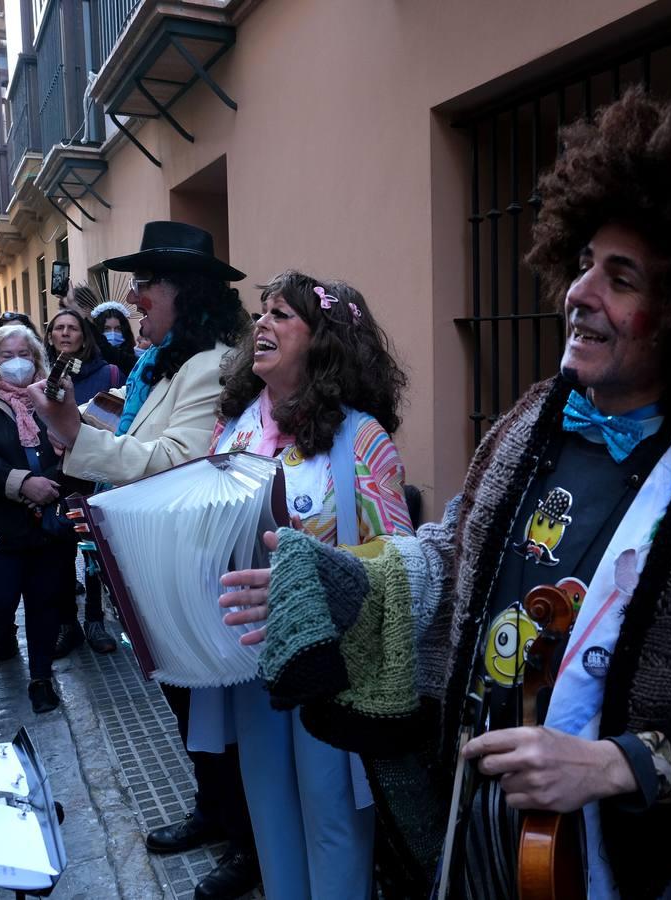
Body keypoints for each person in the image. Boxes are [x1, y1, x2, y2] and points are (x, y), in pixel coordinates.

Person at [247, 90, 671, 899]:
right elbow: (453, 556)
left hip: (629, 867)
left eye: (619, 277)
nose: (579, 292)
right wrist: (345, 578)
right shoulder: (529, 421)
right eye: (585, 261)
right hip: (482, 831)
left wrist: (612, 765)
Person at [28, 221, 260, 899]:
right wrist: (84, 431)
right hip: (164, 567)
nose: (133, 298)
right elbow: (138, 440)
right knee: (188, 705)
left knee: (213, 706)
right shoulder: (171, 365)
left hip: (195, 567)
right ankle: (214, 812)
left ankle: (246, 844)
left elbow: (171, 464)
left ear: (185, 293)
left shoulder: (212, 365)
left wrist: (75, 436)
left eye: (146, 284)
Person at [192, 272, 413, 900]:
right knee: (270, 816)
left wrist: (315, 570)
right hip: (250, 660)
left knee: (333, 817)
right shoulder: (231, 429)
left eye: (281, 314)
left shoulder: (361, 438)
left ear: (323, 341)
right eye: (261, 313)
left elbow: (396, 558)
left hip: (331, 663)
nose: (261, 324)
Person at [0, 324, 85, 734]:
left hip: (49, 526)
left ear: (37, 358)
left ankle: (42, 680)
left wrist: (52, 483)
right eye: (6, 355)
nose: (16, 362)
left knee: (45, 606)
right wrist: (23, 484)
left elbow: (78, 448)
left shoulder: (55, 399)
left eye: (23, 353)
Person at [43, 308, 120, 656]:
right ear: (49, 336)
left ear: (84, 336)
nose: (65, 333)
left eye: (72, 327)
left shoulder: (107, 372)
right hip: (54, 477)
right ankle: (66, 625)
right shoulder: (39, 373)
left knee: (93, 553)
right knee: (59, 555)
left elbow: (120, 417)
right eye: (58, 328)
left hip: (94, 475)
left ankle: (95, 620)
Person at [91, 300, 138, 378]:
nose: (112, 333)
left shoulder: (133, 360)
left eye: (118, 328)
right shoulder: (90, 359)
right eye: (107, 328)